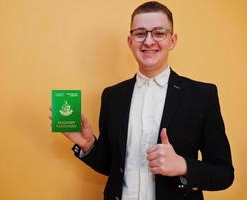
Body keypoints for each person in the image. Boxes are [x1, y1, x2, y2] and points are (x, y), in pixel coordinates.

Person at [53, 1, 234, 199]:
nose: (148, 41)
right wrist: (88, 145)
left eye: (159, 32)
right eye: (140, 33)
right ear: (130, 41)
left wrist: (183, 165)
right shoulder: (112, 96)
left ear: (172, 40)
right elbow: (112, 166)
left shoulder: (201, 95)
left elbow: (224, 174)